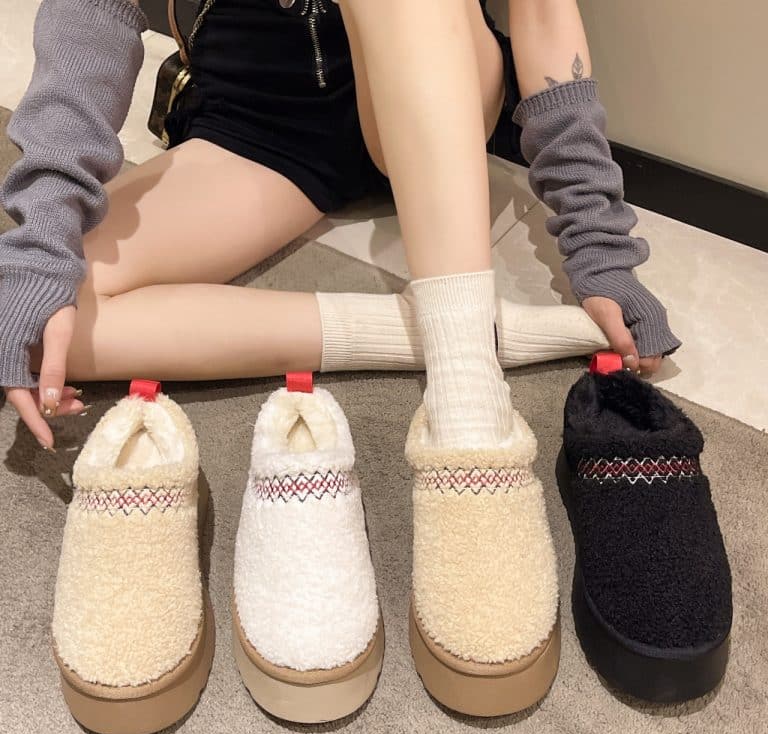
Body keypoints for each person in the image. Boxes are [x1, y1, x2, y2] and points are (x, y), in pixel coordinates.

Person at [0, 0, 679, 452]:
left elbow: (544, 12)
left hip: (435, 76)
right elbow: (94, 9)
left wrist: (598, 243)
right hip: (261, 118)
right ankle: (447, 334)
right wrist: (45, 238)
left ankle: (468, 411)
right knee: (32, 309)